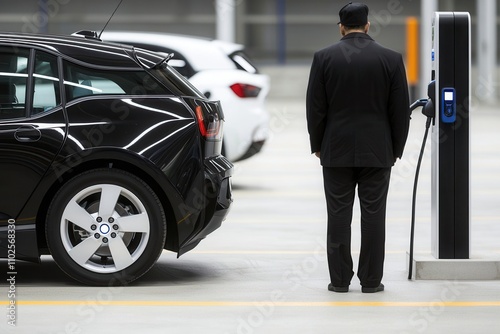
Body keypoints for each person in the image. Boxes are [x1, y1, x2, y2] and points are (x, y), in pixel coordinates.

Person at [306, 2, 410, 293]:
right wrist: (395, 148)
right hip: (378, 151)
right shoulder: (390, 59)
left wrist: (318, 145)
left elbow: (315, 108)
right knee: (374, 216)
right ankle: (371, 281)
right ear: (367, 26)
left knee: (338, 217)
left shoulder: (324, 58)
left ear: (341, 27)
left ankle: (339, 281)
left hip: (335, 151)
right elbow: (399, 110)